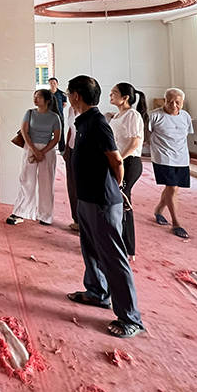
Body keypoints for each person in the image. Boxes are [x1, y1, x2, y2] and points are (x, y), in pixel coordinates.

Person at [65, 75, 144, 338]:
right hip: (87, 198)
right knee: (90, 249)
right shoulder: (84, 121)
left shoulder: (98, 123)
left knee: (113, 256)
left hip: (102, 200)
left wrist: (116, 187)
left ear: (76, 95)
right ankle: (97, 292)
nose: (68, 96)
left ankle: (130, 318)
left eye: (69, 93)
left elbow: (116, 160)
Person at [5, 89, 62, 226]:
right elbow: (24, 132)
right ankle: (20, 213)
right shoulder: (29, 113)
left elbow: (57, 138)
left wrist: (42, 152)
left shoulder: (55, 117)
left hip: (48, 151)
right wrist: (35, 150)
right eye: (34, 97)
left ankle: (46, 216)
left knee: (46, 183)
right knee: (26, 180)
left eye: (38, 97)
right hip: (30, 148)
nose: (35, 99)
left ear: (47, 100)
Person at [108, 82, 148, 260]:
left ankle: (127, 247)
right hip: (118, 162)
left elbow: (135, 142)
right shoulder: (117, 115)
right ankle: (116, 242)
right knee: (116, 202)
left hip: (129, 163)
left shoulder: (132, 115)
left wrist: (119, 159)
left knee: (123, 203)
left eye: (114, 93)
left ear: (125, 97)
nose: (111, 95)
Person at [149, 87, 194, 239]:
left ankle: (158, 210)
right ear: (165, 100)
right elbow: (146, 136)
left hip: (182, 158)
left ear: (182, 102)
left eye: (177, 102)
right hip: (163, 157)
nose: (174, 105)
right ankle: (176, 223)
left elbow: (184, 136)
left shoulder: (186, 116)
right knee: (172, 187)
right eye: (170, 102)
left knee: (173, 189)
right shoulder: (154, 116)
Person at [64, 100, 79, 231]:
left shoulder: (87, 111)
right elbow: (71, 129)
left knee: (81, 187)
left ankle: (85, 224)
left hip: (82, 151)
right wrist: (66, 149)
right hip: (71, 149)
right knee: (72, 185)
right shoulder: (70, 109)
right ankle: (77, 219)